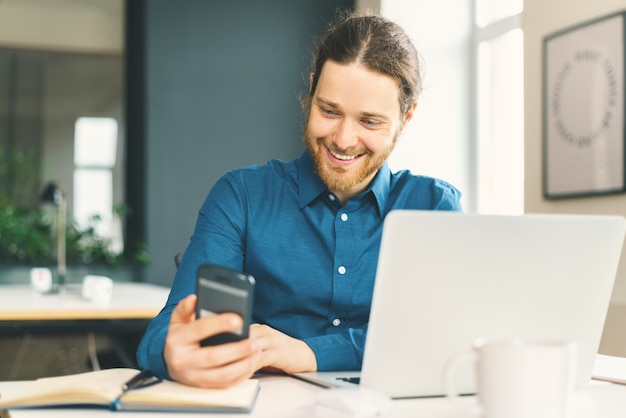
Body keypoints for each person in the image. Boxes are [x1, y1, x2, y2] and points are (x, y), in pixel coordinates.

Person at [137, 10, 462, 389]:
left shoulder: (435, 208)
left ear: (406, 118)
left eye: (370, 121)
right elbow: (167, 328)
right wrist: (173, 353)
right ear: (311, 92)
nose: (343, 139)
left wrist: (307, 354)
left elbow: (435, 339)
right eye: (329, 111)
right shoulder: (240, 196)